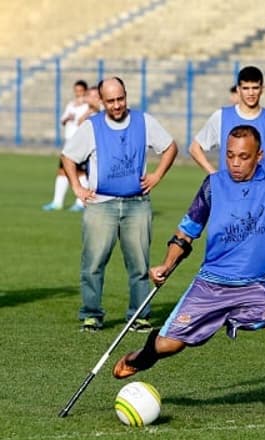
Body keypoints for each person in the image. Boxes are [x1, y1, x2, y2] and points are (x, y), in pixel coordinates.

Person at [111, 125, 265, 379]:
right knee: (169, 345)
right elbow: (186, 232)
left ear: (259, 156)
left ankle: (224, 319)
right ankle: (141, 357)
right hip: (209, 284)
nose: (235, 163)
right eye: (230, 155)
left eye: (243, 157)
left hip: (252, 285)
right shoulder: (213, 184)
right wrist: (165, 265)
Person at [61, 77, 178, 332]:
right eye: (111, 101)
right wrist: (76, 187)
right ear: (101, 101)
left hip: (137, 204)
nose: (117, 105)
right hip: (100, 205)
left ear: (126, 95)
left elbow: (170, 147)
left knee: (138, 264)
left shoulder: (144, 121)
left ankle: (139, 317)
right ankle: (92, 315)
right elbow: (68, 157)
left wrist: (156, 176)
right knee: (93, 264)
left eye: (120, 99)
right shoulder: (91, 127)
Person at [188, 66, 265, 173]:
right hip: (229, 189)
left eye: (255, 88)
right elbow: (195, 148)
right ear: (238, 90)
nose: (251, 93)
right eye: (246, 88)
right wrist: (214, 175)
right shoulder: (221, 116)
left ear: (262, 89)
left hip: (263, 189)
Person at [43, 80, 90, 212]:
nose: (78, 93)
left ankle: (81, 203)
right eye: (76, 91)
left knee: (80, 172)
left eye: (80, 91)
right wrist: (67, 118)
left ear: (85, 91)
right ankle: (57, 202)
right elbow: (62, 121)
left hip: (80, 143)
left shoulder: (88, 106)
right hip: (68, 143)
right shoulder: (71, 105)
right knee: (62, 171)